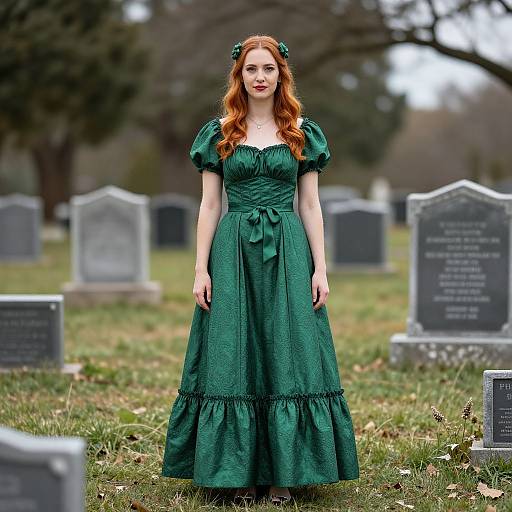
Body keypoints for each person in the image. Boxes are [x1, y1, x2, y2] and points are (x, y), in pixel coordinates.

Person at [161, 34, 359, 506]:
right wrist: (200, 269)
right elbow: (209, 206)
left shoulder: (301, 132)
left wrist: (321, 268)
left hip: (289, 251)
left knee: (286, 348)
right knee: (234, 349)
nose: (260, 77)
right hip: (232, 253)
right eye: (251, 69)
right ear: (239, 76)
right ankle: (239, 474)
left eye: (268, 69)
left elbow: (310, 205)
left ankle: (284, 475)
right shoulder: (221, 133)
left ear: (281, 75)